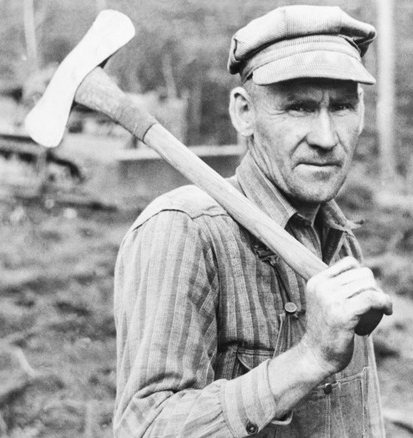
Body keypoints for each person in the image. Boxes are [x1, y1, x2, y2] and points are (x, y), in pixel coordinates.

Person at [113, 5, 393, 437]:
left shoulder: (338, 241)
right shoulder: (186, 230)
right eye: (298, 108)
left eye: (341, 106)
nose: (325, 137)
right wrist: (309, 359)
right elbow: (146, 428)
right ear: (244, 113)